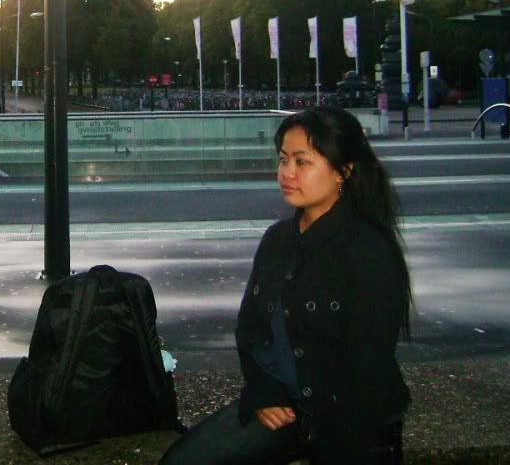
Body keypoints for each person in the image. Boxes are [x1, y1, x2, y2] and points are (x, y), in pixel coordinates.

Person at [161, 106, 411, 465]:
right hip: (284, 403)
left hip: (351, 419)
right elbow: (250, 329)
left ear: (344, 170)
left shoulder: (368, 252)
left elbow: (366, 376)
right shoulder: (277, 240)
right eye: (282, 160)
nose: (286, 173)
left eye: (302, 162)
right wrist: (264, 392)